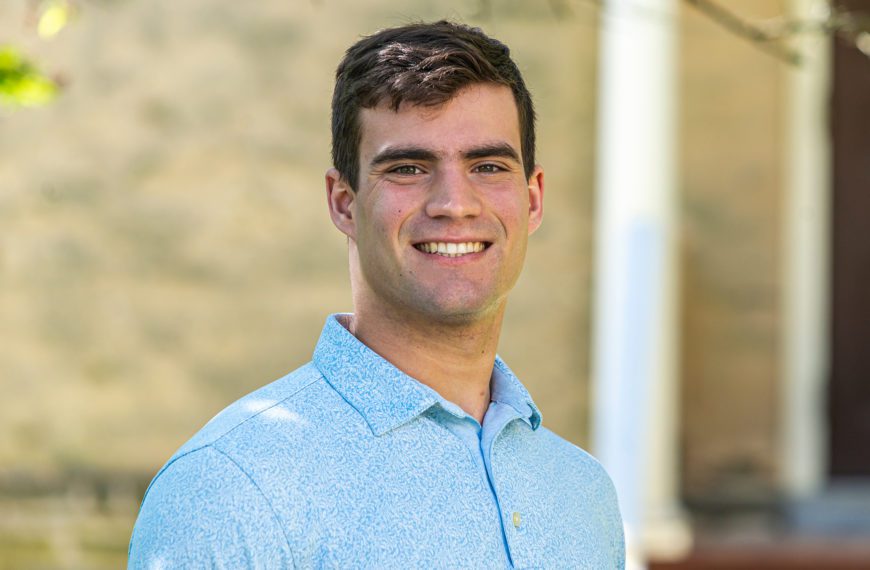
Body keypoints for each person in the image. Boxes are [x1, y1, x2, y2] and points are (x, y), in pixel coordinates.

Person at [128, 20, 624, 569]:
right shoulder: (230, 488)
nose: (455, 204)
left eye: (488, 166)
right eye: (408, 168)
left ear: (532, 200)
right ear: (343, 202)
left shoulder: (583, 495)